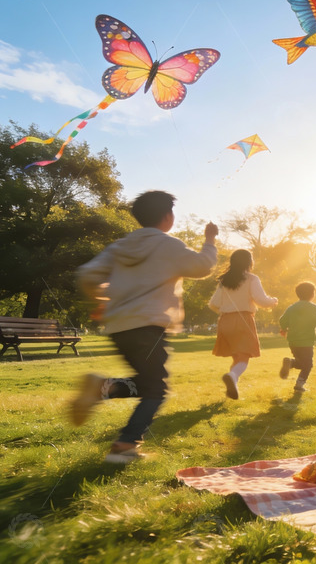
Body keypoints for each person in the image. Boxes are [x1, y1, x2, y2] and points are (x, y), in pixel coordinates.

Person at [74, 191, 218, 463]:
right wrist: (210, 240)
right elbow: (202, 266)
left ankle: (102, 388)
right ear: (167, 217)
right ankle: (125, 445)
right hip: (149, 326)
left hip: (119, 327)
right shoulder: (168, 245)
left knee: (148, 383)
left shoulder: (120, 247)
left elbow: (87, 274)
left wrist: (101, 299)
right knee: (156, 390)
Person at [209, 249, 278, 400]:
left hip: (225, 321)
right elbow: (261, 300)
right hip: (243, 319)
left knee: (236, 357)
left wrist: (226, 311)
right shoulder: (252, 279)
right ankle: (232, 376)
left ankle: (231, 390)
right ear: (249, 262)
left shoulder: (224, 280)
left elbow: (213, 304)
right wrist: (272, 301)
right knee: (244, 357)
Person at [278, 281, 316, 392]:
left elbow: (282, 320)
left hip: (293, 342)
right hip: (306, 342)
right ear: (312, 294)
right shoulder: (313, 308)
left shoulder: (292, 308)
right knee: (307, 365)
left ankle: (290, 362)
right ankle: (299, 385)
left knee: (301, 362)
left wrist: (284, 329)